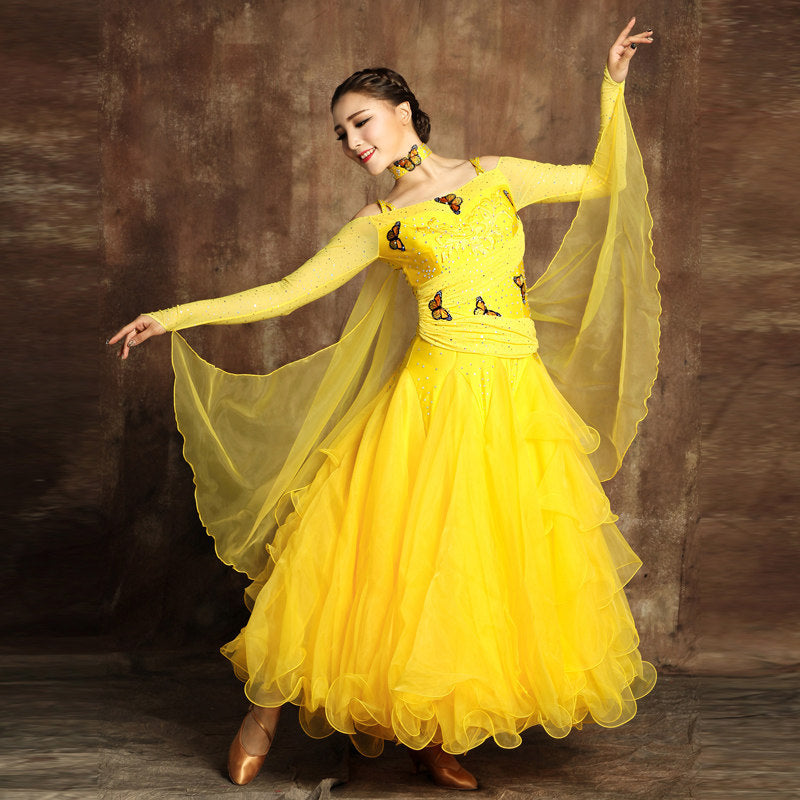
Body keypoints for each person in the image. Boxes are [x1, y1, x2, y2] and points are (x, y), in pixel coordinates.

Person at [109, 18, 659, 792]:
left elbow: (605, 180)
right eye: (341, 134)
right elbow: (286, 292)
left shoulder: (499, 175)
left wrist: (612, 85)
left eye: (361, 122)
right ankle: (261, 715)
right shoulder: (382, 223)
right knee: (361, 560)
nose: (353, 142)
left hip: (513, 407)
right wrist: (172, 316)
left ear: (404, 112)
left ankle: (430, 732)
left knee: (467, 569)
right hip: (428, 407)